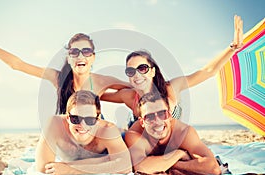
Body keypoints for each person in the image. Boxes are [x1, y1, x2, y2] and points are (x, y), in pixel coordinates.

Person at [101, 15, 243, 131]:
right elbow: (98, 94)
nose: (137, 75)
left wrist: (232, 48)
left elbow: (207, 71)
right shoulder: (130, 96)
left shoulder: (171, 88)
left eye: (142, 68)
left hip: (169, 138)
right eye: (130, 71)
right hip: (143, 140)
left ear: (152, 71)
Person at [0, 30, 131, 114]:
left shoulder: (102, 81)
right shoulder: (58, 77)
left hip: (92, 128)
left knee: (129, 94)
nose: (80, 56)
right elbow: (18, 65)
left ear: (93, 57)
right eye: (74, 52)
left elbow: (134, 89)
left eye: (86, 51)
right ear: (69, 58)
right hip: (67, 127)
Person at [35, 90, 132, 175]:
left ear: (98, 119)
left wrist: (71, 169)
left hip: (119, 137)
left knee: (126, 135)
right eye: (75, 119)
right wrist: (105, 161)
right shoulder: (54, 125)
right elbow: (43, 168)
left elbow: (125, 166)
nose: (82, 125)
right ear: (68, 118)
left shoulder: (107, 130)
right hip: (102, 157)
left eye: (90, 120)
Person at [125, 92, 220, 175]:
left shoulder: (184, 133)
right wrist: (178, 154)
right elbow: (142, 168)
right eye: (149, 117)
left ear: (170, 115)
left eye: (162, 114)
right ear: (142, 122)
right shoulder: (134, 135)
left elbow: (213, 168)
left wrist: (171, 164)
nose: (158, 121)